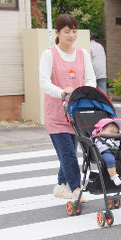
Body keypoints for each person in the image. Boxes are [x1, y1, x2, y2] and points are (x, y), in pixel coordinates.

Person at [39, 14, 96, 203]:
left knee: (69, 151)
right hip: (56, 114)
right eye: (67, 32)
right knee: (68, 153)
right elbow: (44, 82)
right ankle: (76, 188)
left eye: (74, 31)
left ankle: (60, 185)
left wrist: (85, 91)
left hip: (76, 114)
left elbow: (90, 78)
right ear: (57, 32)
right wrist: (61, 91)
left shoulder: (82, 54)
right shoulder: (49, 55)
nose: (71, 35)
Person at [92, 117, 121, 188]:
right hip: (105, 153)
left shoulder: (116, 138)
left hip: (117, 152)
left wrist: (119, 135)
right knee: (110, 160)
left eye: (115, 133)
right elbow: (92, 141)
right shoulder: (98, 137)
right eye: (111, 132)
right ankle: (114, 177)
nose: (113, 135)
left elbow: (120, 141)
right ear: (101, 130)